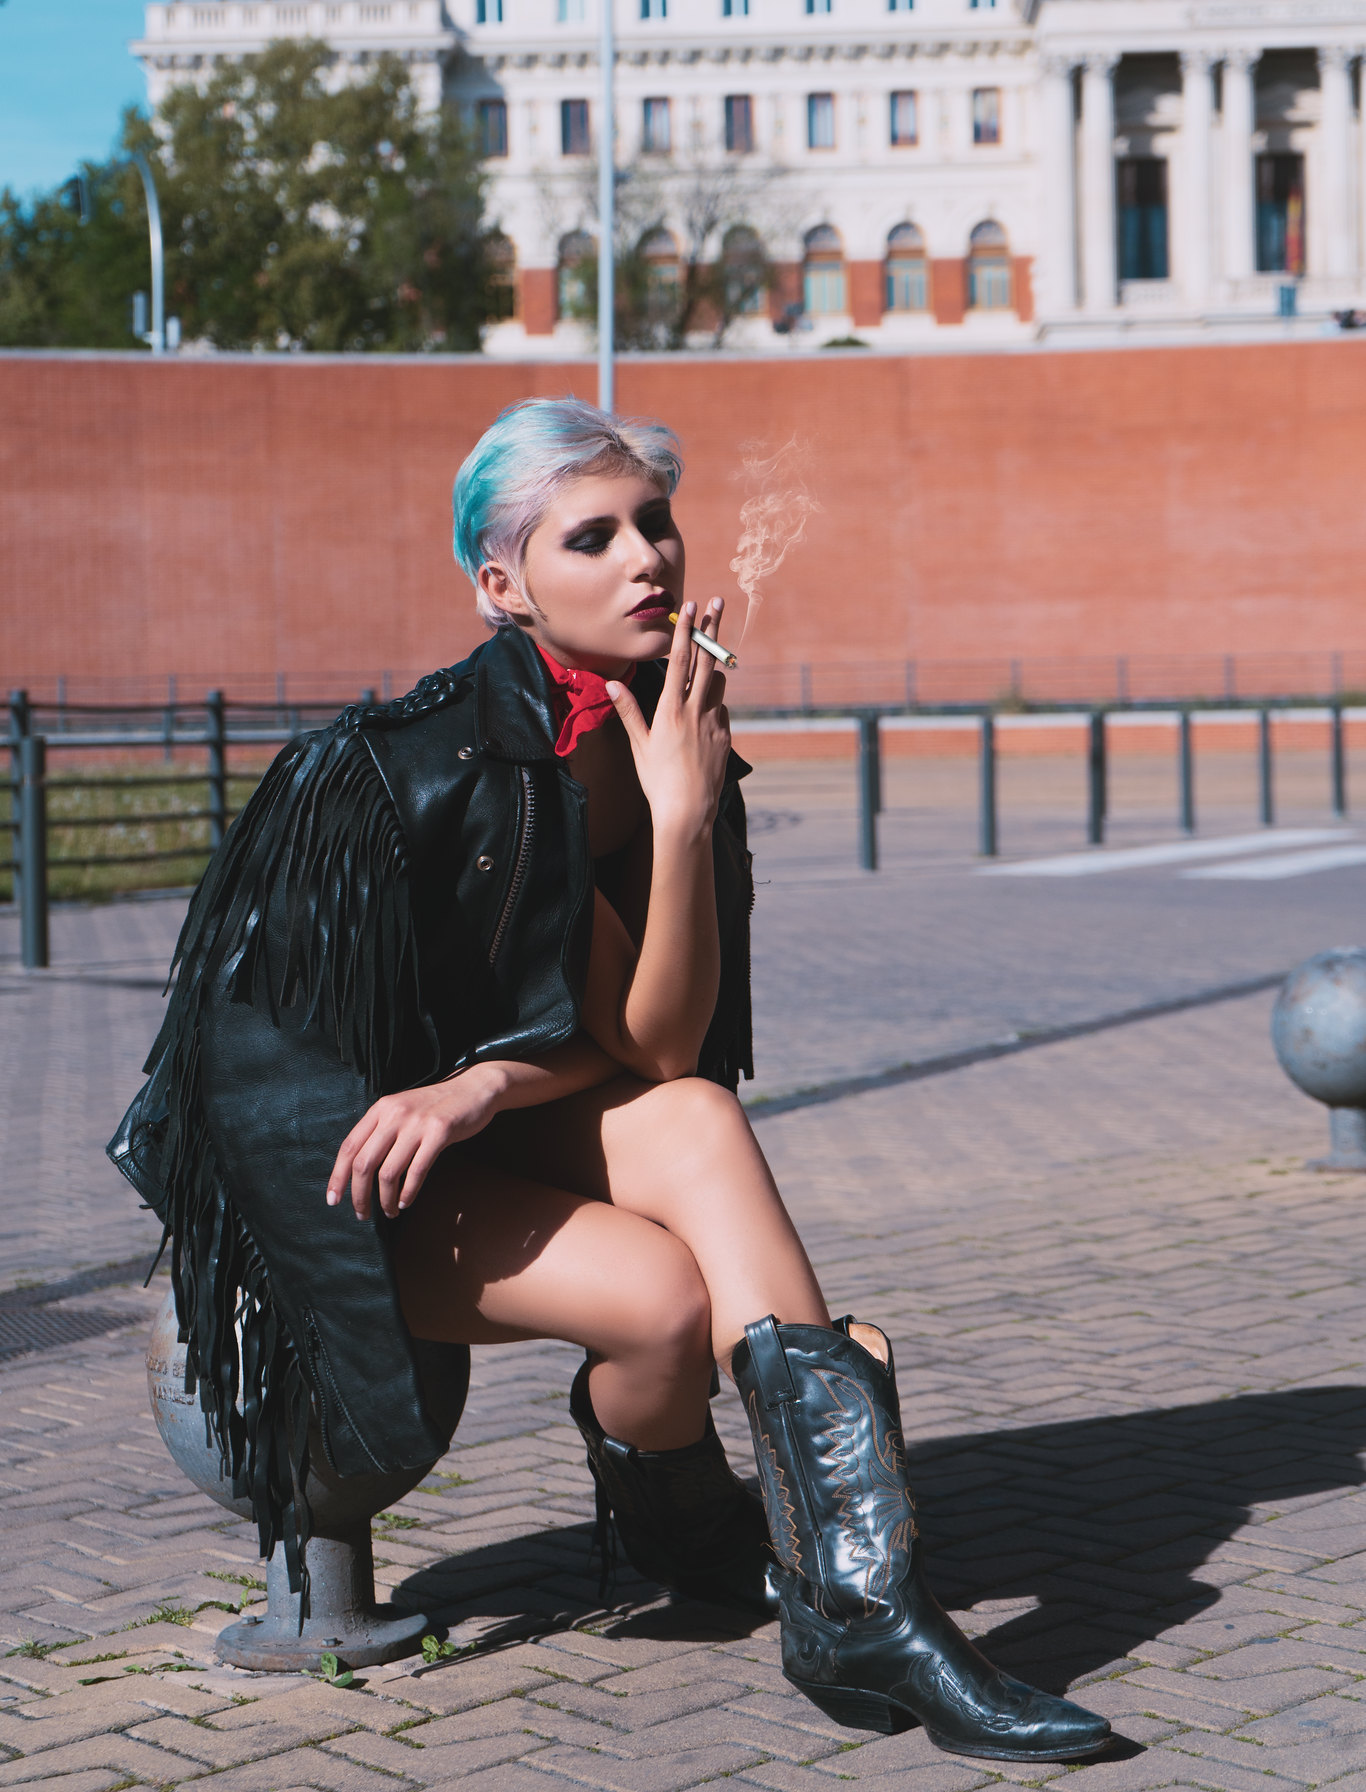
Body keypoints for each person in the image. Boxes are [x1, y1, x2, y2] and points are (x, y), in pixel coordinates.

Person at [110, 398, 1110, 1763]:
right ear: (500, 584)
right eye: (596, 535)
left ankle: (854, 1605)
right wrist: (414, 1125)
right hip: (323, 1193)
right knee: (656, 1297)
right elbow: (244, 1073)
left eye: (656, 524)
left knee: (684, 1173)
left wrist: (682, 820)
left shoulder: (650, 737)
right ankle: (809, 1584)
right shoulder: (383, 769)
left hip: (472, 1138)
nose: (649, 557)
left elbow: (655, 1050)